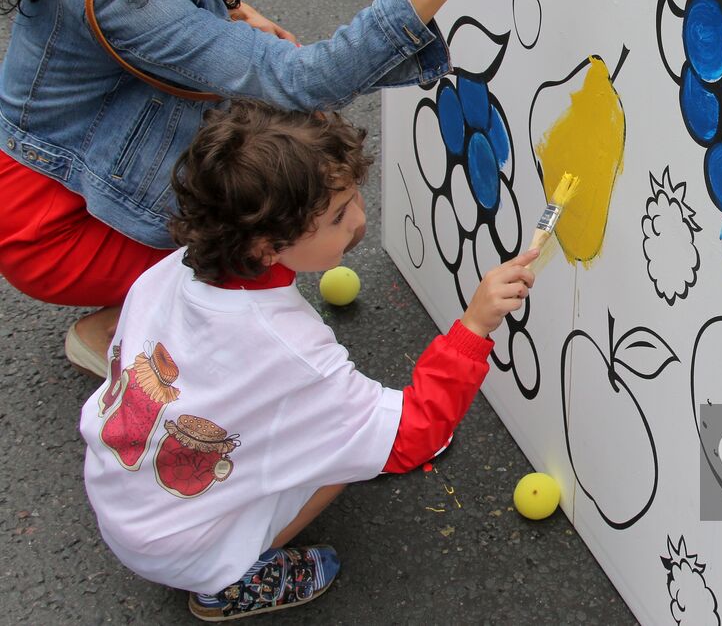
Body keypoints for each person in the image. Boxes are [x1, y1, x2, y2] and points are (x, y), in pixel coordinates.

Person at [0, 0, 503, 378]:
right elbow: (306, 79)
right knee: (272, 223)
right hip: (49, 225)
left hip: (77, 176)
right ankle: (117, 332)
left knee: (278, 145)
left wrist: (226, 12)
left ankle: (161, 308)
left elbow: (188, 19)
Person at [79, 101, 538, 619]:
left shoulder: (171, 270)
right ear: (266, 246)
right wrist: (474, 327)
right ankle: (225, 583)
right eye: (339, 217)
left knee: (329, 434)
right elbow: (417, 434)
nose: (361, 221)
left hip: (120, 493)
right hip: (184, 546)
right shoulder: (287, 349)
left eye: (354, 198)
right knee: (346, 455)